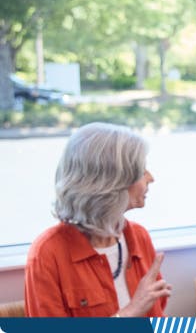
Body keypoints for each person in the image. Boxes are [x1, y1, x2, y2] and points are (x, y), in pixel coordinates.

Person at [24, 122, 170, 317]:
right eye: (141, 171)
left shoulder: (138, 236)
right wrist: (129, 313)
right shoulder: (48, 254)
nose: (151, 178)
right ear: (112, 183)